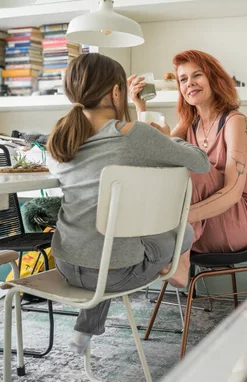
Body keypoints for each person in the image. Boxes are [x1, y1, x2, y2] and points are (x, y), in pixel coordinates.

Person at [46, 53, 210, 354]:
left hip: (67, 264)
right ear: (116, 92)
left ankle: (85, 330)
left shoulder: (60, 140)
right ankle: (172, 268)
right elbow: (201, 163)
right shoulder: (135, 135)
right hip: (115, 272)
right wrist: (170, 139)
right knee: (183, 232)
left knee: (108, 241)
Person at [128, 50, 247, 274]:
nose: (189, 83)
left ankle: (176, 258)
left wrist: (180, 218)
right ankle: (155, 243)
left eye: (197, 75)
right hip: (200, 223)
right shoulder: (188, 124)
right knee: (167, 164)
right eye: (183, 79)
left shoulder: (235, 122)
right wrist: (140, 107)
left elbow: (232, 194)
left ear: (214, 78)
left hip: (237, 223)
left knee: (191, 167)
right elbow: (156, 158)